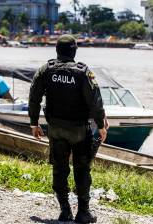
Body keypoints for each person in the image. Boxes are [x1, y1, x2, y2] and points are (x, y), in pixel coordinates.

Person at [28, 34, 108, 223]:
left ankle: (65, 210)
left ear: (56, 50)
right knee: (82, 170)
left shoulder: (45, 70)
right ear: (74, 51)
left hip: (56, 129)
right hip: (80, 131)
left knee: (59, 169)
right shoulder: (83, 72)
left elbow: (34, 97)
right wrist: (102, 125)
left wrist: (34, 123)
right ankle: (83, 212)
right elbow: (95, 102)